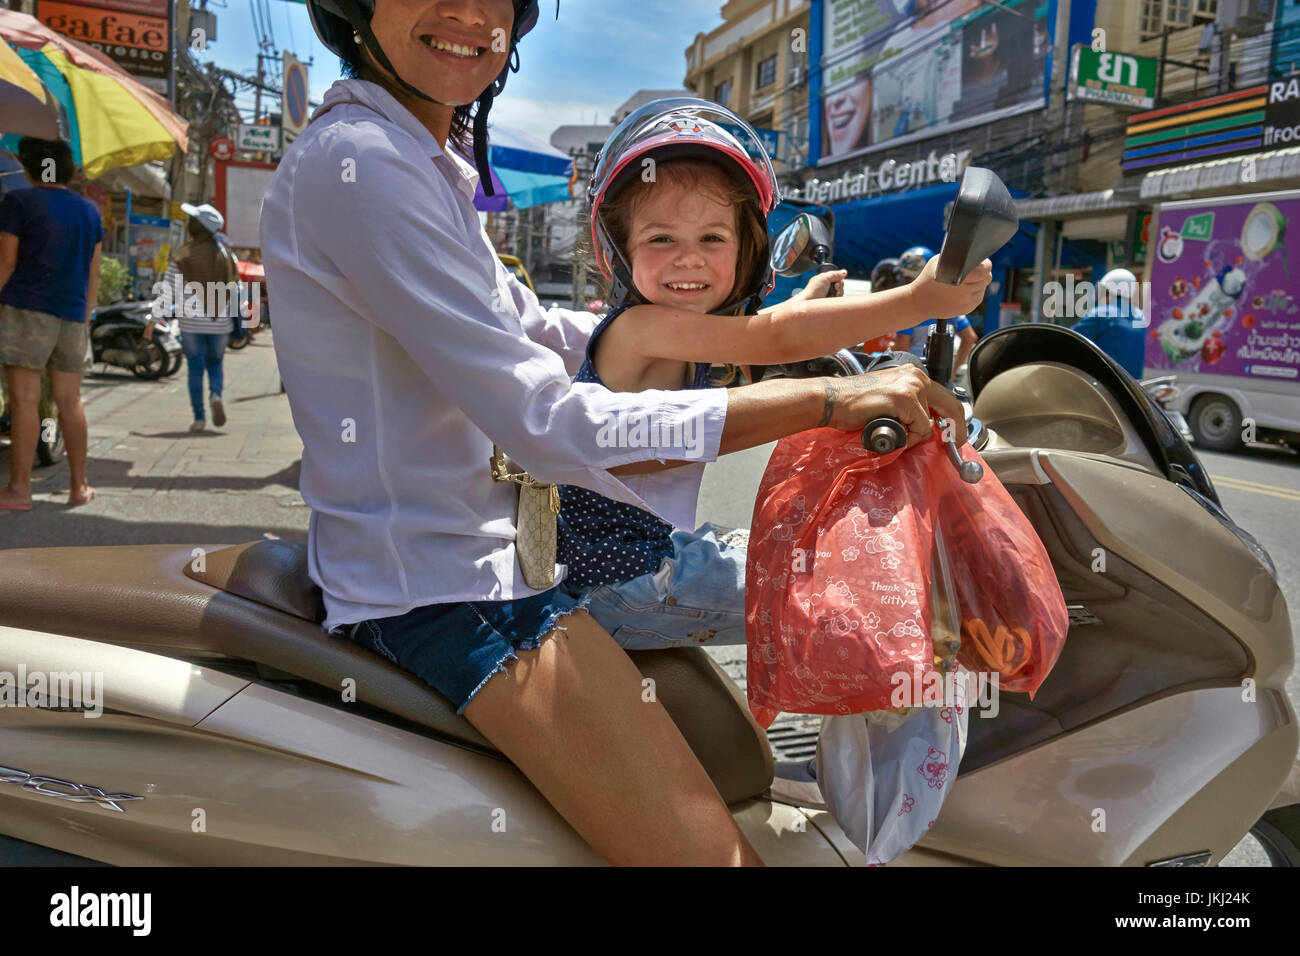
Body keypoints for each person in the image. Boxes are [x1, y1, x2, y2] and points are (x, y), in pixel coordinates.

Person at [269, 0, 977, 867]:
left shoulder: (418, 160)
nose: (466, 12)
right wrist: (829, 404)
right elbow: (547, 421)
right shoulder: (365, 161)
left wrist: (784, 329)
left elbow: (544, 335)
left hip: (500, 562)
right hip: (452, 592)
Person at [553, 101, 990, 652]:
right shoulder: (641, 329)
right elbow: (778, 337)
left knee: (816, 554)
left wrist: (801, 313)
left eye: (712, 239)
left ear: (747, 251)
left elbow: (765, 336)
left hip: (640, 556)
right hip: (619, 580)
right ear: (618, 250)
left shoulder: (690, 335)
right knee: (873, 587)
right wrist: (916, 300)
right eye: (661, 239)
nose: (688, 259)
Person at [0, 136, 101, 511]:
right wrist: (84, 314)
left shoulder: (19, 202)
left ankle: (19, 490)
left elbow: (7, 263)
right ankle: (79, 487)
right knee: (70, 401)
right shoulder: (90, 212)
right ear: (69, 170)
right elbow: (93, 273)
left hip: (27, 309)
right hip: (73, 316)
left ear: (27, 168)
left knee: (25, 401)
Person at [156, 203, 239, 432]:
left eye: (191, 219)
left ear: (197, 227)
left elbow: (168, 289)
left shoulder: (183, 254)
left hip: (191, 322)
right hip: (220, 321)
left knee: (195, 369)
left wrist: (155, 318)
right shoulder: (226, 254)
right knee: (215, 364)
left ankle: (199, 418)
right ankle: (215, 393)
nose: (188, 222)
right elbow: (236, 290)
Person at [893, 244, 978, 376]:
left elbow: (901, 350)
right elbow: (970, 338)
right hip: (941, 376)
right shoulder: (950, 305)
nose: (908, 281)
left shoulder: (909, 308)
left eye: (909, 277)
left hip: (913, 377)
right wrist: (953, 371)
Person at [1070, 268, 1146, 379]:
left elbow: (1071, 337)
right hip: (1134, 382)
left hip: (1106, 381)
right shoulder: (1140, 315)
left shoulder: (1101, 312)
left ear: (1107, 290)